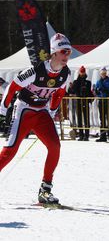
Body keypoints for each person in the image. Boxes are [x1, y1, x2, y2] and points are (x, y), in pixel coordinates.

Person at [0, 33, 72, 204]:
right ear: (54, 53)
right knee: (10, 151)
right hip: (24, 110)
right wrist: (3, 109)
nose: (67, 56)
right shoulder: (36, 70)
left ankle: (45, 190)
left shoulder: (66, 74)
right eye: (63, 52)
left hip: (41, 112)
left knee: (55, 146)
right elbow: (12, 87)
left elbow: (59, 93)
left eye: (69, 52)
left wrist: (53, 110)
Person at [95, 67, 109, 142]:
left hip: (108, 101)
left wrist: (107, 91)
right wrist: (97, 91)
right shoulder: (98, 81)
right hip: (101, 101)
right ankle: (103, 136)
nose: (103, 75)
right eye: (102, 73)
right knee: (102, 119)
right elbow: (96, 91)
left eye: (104, 73)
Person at [71, 66, 93, 141]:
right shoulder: (76, 82)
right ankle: (81, 135)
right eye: (81, 72)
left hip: (85, 101)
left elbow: (89, 92)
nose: (82, 74)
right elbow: (72, 91)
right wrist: (71, 87)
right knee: (79, 119)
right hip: (78, 102)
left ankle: (86, 135)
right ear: (79, 73)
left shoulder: (88, 82)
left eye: (83, 72)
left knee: (86, 118)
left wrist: (91, 98)